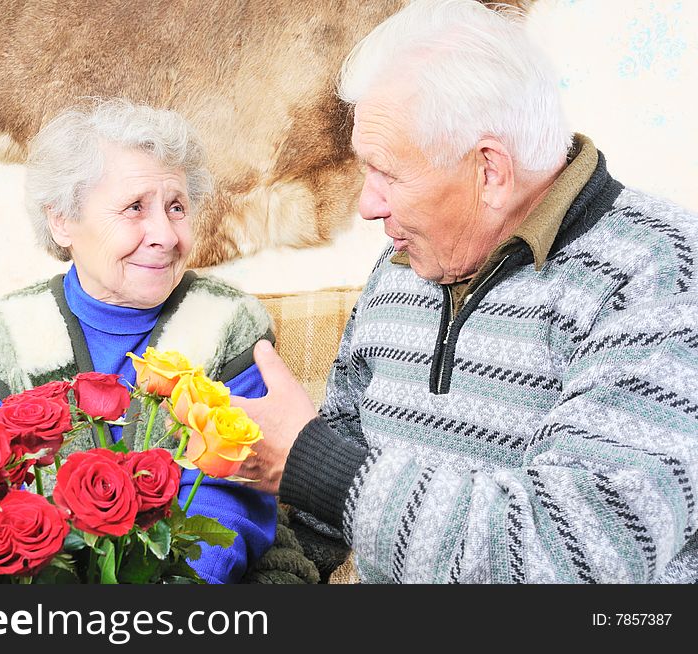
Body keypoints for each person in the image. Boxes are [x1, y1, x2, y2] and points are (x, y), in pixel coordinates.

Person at [232, 0, 698, 583]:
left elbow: (572, 563)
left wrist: (314, 465)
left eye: (387, 173)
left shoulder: (661, 274)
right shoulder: (401, 266)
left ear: (489, 171)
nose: (367, 205)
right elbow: (325, 518)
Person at [0, 99, 277, 584]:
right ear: (62, 220)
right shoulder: (4, 340)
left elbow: (228, 501)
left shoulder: (230, 325)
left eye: (176, 207)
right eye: (134, 208)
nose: (166, 235)